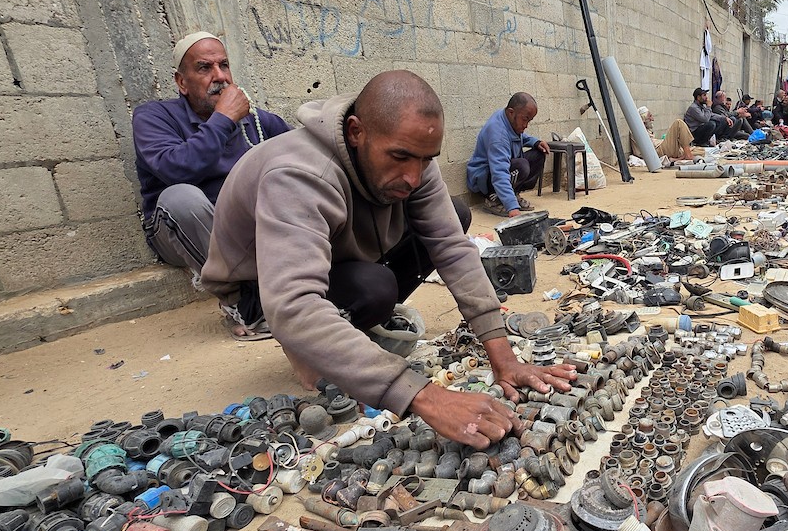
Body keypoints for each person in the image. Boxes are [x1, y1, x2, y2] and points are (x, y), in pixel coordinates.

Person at [200, 71, 576, 448]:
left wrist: (503, 357)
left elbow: (451, 246)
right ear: (356, 132)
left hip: (332, 259)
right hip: (260, 290)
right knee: (374, 289)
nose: (413, 176)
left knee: (455, 216)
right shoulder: (299, 175)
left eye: (425, 160)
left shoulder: (413, 157)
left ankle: (339, 333)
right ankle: (310, 342)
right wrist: (425, 396)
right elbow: (291, 303)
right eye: (400, 157)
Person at [132, 32, 290, 338]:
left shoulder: (256, 120)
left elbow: (304, 151)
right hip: (186, 231)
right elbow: (177, 169)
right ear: (182, 82)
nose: (220, 77)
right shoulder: (154, 116)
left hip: (246, 228)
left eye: (224, 65)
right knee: (181, 197)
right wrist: (224, 118)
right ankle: (244, 304)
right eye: (205, 68)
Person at [466, 93, 550, 218]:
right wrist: (512, 207)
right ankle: (493, 200)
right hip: (485, 180)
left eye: (529, 120)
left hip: (500, 169)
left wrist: (535, 142)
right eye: (525, 119)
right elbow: (499, 173)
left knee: (538, 154)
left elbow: (518, 136)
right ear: (511, 112)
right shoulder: (497, 134)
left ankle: (512, 194)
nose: (526, 125)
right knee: (522, 165)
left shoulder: (507, 118)